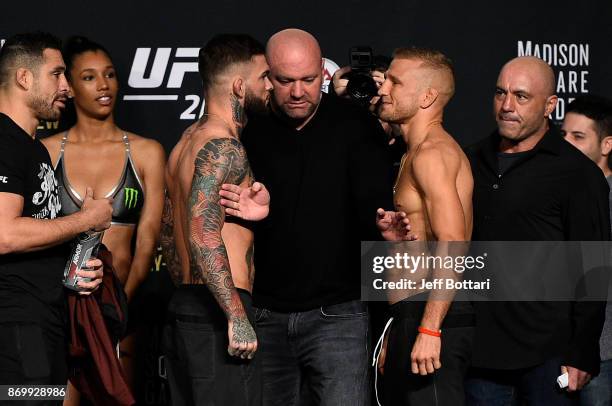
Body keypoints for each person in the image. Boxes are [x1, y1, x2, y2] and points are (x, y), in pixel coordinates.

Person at [219, 28, 395, 406]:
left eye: (309, 80)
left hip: (340, 315)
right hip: (265, 313)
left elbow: (377, 215)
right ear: (267, 75)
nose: (298, 92)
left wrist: (385, 230)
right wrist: (252, 215)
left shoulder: (356, 125)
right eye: (285, 81)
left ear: (324, 74)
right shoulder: (251, 129)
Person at [464, 56, 610, 405]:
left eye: (521, 96)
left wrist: (583, 351)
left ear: (550, 105)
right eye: (500, 93)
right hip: (480, 353)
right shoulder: (469, 159)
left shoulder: (577, 174)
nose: (507, 106)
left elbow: (593, 267)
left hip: (549, 355)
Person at [41, 35, 165, 401]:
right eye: (90, 77)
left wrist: (113, 315)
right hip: (62, 317)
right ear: (69, 85)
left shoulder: (146, 152)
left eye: (109, 75)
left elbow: (146, 245)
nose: (104, 85)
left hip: (121, 316)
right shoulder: (46, 151)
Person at [161, 33, 273, 406]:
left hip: (188, 306)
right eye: (265, 77)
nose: (271, 85)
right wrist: (236, 314)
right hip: (218, 312)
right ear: (240, 86)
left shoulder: (184, 143)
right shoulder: (223, 147)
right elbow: (202, 232)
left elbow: (167, 231)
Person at [0, 32, 112, 388]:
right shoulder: (4, 142)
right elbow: (5, 234)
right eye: (57, 74)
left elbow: (34, 231)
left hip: (43, 321)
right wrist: (86, 219)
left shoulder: (33, 149)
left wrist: (77, 264)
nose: (66, 86)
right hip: (16, 327)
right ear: (24, 77)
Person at [371, 47, 474, 406]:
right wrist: (397, 326)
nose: (383, 89)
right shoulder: (411, 153)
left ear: (428, 96)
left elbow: (454, 243)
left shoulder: (433, 154)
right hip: (411, 313)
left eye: (396, 82)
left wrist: (429, 329)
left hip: (434, 315)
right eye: (385, 79)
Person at [561, 95, 612, 406]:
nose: (566, 143)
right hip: (565, 348)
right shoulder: (565, 194)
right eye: (563, 134)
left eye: (578, 137)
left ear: (607, 145)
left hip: (602, 353)